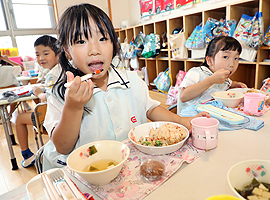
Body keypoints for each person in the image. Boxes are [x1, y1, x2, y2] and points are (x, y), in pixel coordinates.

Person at [42, 3, 210, 171]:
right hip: (91, 174)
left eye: (103, 39)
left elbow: (150, 109)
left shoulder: (131, 79)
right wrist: (73, 107)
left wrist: (181, 120)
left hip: (135, 166)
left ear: (113, 44)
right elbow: (62, 147)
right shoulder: (62, 93)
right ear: (67, 50)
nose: (94, 50)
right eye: (81, 41)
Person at [15, 35, 61, 168]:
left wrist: (39, 93)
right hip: (58, 116)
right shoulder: (61, 69)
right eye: (37, 54)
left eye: (45, 53)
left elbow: (50, 97)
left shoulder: (53, 74)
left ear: (57, 52)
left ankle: (27, 156)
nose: (41, 58)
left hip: (53, 118)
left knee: (19, 119)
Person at [177, 36, 248, 114]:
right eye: (225, 57)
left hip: (213, 116)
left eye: (236, 58)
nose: (232, 64)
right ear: (210, 60)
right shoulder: (196, 73)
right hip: (190, 119)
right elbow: (183, 96)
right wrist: (211, 80)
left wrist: (236, 84)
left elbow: (230, 84)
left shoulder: (225, 78)